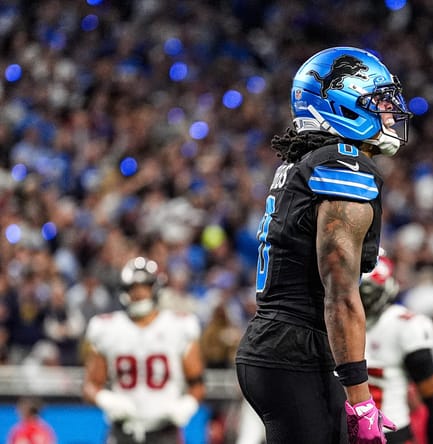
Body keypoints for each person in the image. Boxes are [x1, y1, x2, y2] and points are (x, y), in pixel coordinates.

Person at [234, 46, 412, 444]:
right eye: (377, 101)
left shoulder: (307, 161)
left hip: (281, 344)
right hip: (297, 349)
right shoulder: (341, 166)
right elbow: (340, 291)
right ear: (341, 102)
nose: (389, 111)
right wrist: (360, 397)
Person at [82, 256, 205, 444]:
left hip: (165, 431)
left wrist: (186, 405)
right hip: (123, 431)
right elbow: (90, 385)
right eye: (133, 288)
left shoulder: (179, 326)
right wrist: (106, 399)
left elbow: (197, 383)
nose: (139, 293)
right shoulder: (107, 328)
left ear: (155, 288)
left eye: (144, 286)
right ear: (124, 291)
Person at [359, 251, 433, 444]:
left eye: (368, 293)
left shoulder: (404, 326)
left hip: (391, 434)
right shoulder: (331, 322)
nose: (364, 301)